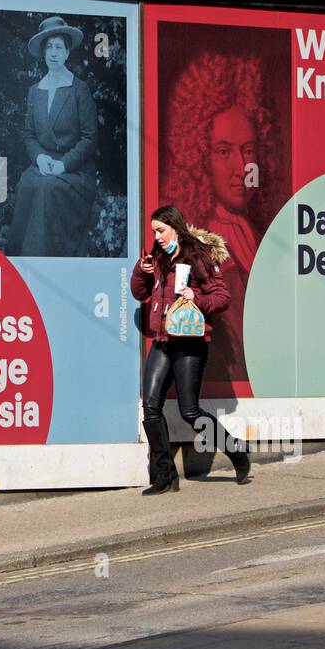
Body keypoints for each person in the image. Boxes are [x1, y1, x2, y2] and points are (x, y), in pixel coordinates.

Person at [163, 51, 276, 385]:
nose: (241, 166)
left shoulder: (259, 233)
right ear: (200, 157)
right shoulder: (201, 241)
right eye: (224, 151)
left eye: (249, 150)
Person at [130, 203, 253, 495]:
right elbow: (140, 293)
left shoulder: (198, 254)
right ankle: (164, 476)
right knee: (150, 407)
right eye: (154, 232)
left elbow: (222, 297)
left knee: (190, 412)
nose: (157, 236)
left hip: (189, 343)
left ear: (175, 226)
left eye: (161, 230)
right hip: (162, 341)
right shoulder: (158, 256)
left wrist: (195, 296)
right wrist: (142, 270)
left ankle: (236, 451)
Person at [5, 16, 98, 256]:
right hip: (44, 164)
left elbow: (89, 138)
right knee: (27, 183)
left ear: (67, 52)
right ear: (43, 53)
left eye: (59, 47)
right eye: (49, 47)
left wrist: (63, 164)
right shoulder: (34, 91)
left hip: (74, 171)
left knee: (47, 189)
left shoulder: (79, 89)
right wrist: (39, 159)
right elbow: (29, 134)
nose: (53, 53)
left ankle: (48, 259)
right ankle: (21, 261)